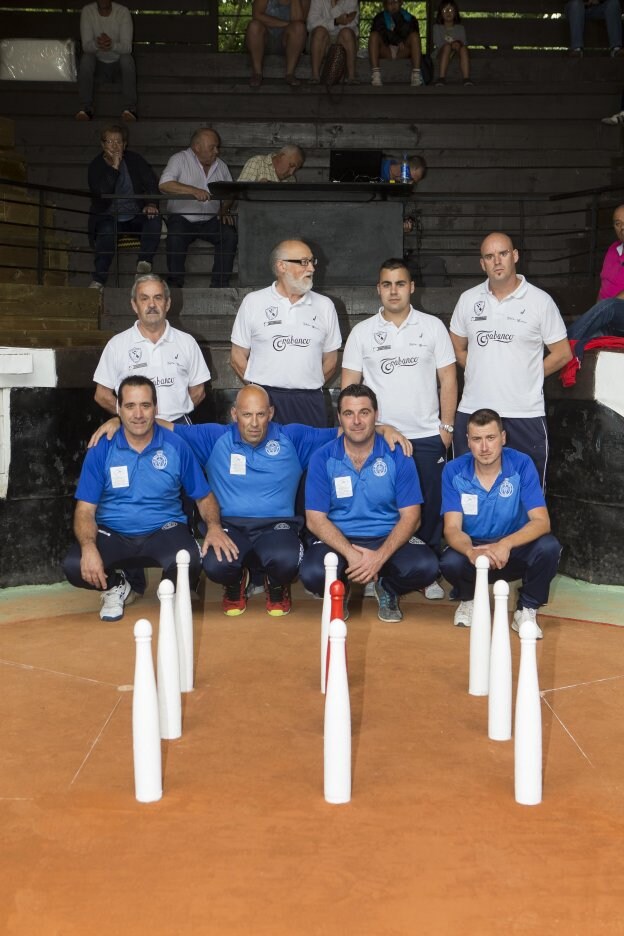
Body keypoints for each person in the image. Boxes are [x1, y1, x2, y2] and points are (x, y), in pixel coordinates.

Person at [90, 384, 410, 617]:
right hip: (229, 528)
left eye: (260, 414)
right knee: (214, 562)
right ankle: (237, 581)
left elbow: (347, 431)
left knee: (286, 560)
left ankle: (277, 583)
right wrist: (119, 420)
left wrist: (383, 429)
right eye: (246, 415)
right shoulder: (213, 437)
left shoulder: (293, 437)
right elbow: (158, 423)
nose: (254, 423)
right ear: (234, 414)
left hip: (278, 526)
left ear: (271, 413)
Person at [341, 258, 457, 599]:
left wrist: (446, 428)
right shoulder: (362, 332)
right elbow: (350, 388)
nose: (394, 290)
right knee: (385, 506)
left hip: (424, 435)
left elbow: (448, 379)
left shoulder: (433, 327)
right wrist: (374, 426)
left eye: (400, 283)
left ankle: (428, 570)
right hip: (377, 437)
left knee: (429, 508)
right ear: (378, 289)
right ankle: (377, 569)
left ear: (412, 287)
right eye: (387, 284)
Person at [63, 376, 212, 622]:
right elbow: (85, 510)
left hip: (164, 530)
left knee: (191, 560)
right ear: (118, 409)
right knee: (74, 565)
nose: (138, 414)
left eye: (145, 405)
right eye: (130, 406)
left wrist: (214, 527)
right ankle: (116, 585)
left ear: (156, 408)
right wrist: (89, 547)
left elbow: (203, 497)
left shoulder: (176, 445)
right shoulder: (101, 448)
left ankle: (172, 589)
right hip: (113, 532)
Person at [300, 384, 440, 622]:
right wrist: (352, 555)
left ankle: (386, 585)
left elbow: (412, 517)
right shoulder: (322, 457)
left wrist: (378, 557)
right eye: (348, 413)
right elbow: (315, 520)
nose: (356, 421)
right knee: (312, 573)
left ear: (376, 415)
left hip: (386, 536)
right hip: (338, 538)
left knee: (426, 567)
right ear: (339, 418)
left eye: (364, 412)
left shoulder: (398, 455)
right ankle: (340, 588)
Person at [449, 232, 572, 487]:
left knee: (527, 497)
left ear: (515, 255)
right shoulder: (468, 300)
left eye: (503, 254)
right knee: (468, 493)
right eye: (489, 256)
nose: (497, 261)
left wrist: (527, 375)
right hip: (473, 412)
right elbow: (457, 347)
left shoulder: (540, 301)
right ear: (482, 263)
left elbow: (562, 354)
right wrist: (479, 369)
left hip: (523, 413)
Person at [439, 408, 561, 638]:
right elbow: (452, 528)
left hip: (512, 551)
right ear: (468, 441)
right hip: (475, 551)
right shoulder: (453, 470)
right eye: (477, 439)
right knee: (449, 562)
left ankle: (527, 608)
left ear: (503, 438)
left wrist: (505, 544)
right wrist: (470, 551)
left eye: (490, 438)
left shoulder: (522, 464)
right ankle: (469, 599)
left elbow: (542, 522)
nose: (484, 447)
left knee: (548, 547)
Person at [230, 239, 342, 427]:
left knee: (310, 456)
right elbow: (237, 357)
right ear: (281, 266)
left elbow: (331, 360)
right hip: (265, 402)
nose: (312, 269)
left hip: (310, 402)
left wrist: (307, 383)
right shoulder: (253, 302)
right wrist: (259, 393)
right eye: (304, 262)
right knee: (266, 456)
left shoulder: (325, 306)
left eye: (312, 262)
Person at [93, 274, 210, 423]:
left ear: (167, 304)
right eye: (144, 298)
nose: (152, 304)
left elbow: (198, 391)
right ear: (135, 305)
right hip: (135, 428)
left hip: (178, 428)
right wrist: (131, 416)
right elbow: (102, 394)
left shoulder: (187, 342)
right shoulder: (116, 345)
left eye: (158, 297)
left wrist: (174, 417)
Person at [159, 128, 237, 289]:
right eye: (212, 147)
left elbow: (231, 193)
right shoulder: (179, 159)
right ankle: (175, 285)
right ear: (196, 147)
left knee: (229, 235)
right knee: (175, 236)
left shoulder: (221, 166)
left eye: (217, 147)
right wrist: (194, 191)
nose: (217, 151)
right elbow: (165, 184)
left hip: (210, 220)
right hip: (182, 219)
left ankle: (219, 286)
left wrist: (224, 210)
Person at [87, 124, 161, 290]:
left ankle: (143, 265)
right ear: (103, 145)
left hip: (135, 214)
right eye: (110, 141)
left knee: (154, 219)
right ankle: (99, 280)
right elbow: (101, 194)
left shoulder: (135, 160)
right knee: (106, 232)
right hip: (108, 216)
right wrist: (114, 167)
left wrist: (151, 203)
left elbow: (151, 182)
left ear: (125, 144)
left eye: (118, 142)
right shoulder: (96, 166)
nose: (114, 146)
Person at [566, 203, 624, 355]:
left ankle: (559, 346)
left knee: (610, 305)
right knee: (583, 343)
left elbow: (610, 305)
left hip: (617, 312)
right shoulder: (613, 250)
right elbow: (603, 287)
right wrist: (595, 318)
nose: (622, 227)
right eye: (618, 224)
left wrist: (603, 311)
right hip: (610, 320)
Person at [76, 0, 137, 121]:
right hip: (98, 67)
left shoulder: (122, 12)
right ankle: (86, 109)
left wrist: (112, 45)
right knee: (86, 59)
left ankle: (130, 110)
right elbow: (86, 46)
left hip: (118, 68)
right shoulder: (88, 11)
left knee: (127, 59)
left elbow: (127, 48)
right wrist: (97, 44)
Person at [245, 0, 310, 87]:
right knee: (254, 26)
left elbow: (298, 21)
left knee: (299, 28)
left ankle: (290, 74)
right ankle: (257, 73)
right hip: (264, 40)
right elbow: (257, 15)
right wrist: (286, 24)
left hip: (288, 43)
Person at [368, 0, 423, 88]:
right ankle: (376, 75)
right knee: (374, 36)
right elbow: (380, 32)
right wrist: (396, 39)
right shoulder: (379, 17)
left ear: (401, 3)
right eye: (389, 2)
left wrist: (398, 18)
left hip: (402, 50)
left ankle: (416, 75)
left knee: (415, 36)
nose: (393, 4)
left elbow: (410, 32)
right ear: (385, 4)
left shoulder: (410, 18)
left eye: (395, 2)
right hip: (386, 49)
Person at [307, 0, 359, 84]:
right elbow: (311, 23)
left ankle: (351, 77)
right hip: (322, 38)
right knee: (320, 32)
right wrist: (335, 22)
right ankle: (315, 76)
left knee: (347, 33)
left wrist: (334, 6)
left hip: (343, 38)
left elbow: (351, 24)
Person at [433, 0, 472, 86]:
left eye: (450, 10)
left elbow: (464, 42)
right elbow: (438, 43)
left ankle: (466, 78)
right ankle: (441, 78)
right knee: (447, 47)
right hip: (441, 52)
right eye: (445, 10)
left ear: (455, 13)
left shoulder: (460, 28)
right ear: (440, 13)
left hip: (456, 53)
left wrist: (458, 44)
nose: (448, 12)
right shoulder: (437, 27)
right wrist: (451, 45)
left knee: (464, 48)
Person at [237, 145, 305, 182]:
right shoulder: (257, 162)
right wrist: (257, 189)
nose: (291, 173)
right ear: (281, 157)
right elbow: (239, 192)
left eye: (296, 170)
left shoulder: (291, 179)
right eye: (291, 165)